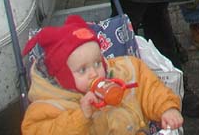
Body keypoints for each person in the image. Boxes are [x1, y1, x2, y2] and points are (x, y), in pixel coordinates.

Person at [21, 15, 183, 134]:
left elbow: (150, 89)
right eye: (82, 70)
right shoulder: (49, 105)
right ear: (63, 76)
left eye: (97, 63)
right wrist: (82, 116)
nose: (94, 73)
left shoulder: (124, 70)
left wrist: (167, 108)